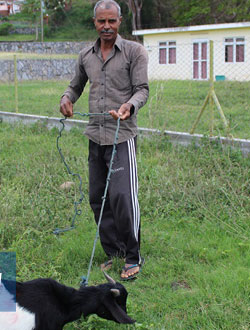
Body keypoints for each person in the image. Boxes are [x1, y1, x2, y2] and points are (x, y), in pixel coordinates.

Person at [59, 0, 149, 280]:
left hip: (122, 136)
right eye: (101, 21)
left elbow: (142, 90)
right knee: (98, 198)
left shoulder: (134, 52)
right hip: (95, 136)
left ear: (120, 21)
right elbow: (76, 85)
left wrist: (128, 107)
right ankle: (115, 252)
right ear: (94, 22)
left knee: (123, 197)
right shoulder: (86, 54)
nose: (106, 26)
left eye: (111, 21)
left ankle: (133, 256)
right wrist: (67, 98)